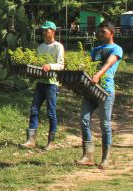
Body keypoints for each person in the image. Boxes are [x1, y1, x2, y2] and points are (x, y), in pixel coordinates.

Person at [75, 21, 122, 170]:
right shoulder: (95, 49)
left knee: (105, 124)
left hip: (105, 90)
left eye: (103, 32)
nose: (100, 34)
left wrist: (97, 75)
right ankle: (88, 155)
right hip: (90, 90)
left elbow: (108, 63)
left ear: (111, 33)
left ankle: (105, 158)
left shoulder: (116, 49)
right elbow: (88, 65)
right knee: (84, 120)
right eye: (99, 31)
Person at [20, 21, 65, 150]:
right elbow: (38, 63)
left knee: (51, 112)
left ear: (53, 31)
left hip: (52, 84)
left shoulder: (58, 47)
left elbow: (61, 65)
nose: (44, 32)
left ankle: (51, 142)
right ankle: (31, 140)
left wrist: (50, 66)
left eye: (47, 30)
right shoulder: (41, 47)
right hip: (41, 83)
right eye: (43, 30)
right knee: (34, 110)